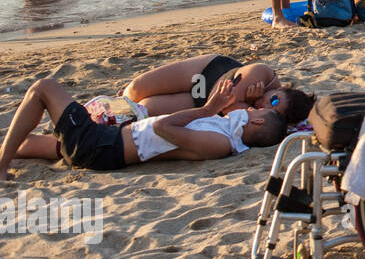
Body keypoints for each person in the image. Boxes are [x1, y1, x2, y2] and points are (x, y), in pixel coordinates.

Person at [0, 77, 285, 181]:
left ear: (257, 121)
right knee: (24, 145)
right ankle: (6, 155)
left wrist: (208, 108)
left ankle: (1, 168)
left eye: (256, 111)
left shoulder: (222, 142)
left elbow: (163, 127)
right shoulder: (226, 132)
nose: (250, 109)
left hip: (100, 147)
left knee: (44, 88)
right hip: (107, 141)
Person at [122, 54, 311, 121]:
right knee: (134, 91)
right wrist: (248, 106)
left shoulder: (259, 109)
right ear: (282, 88)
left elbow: (221, 107)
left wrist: (250, 104)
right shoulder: (263, 74)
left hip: (201, 102)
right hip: (205, 73)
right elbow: (224, 104)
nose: (265, 105)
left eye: (272, 112)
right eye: (274, 100)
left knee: (145, 108)